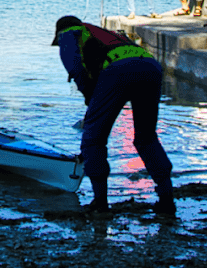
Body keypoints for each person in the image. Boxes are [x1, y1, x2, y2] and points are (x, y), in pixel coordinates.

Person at [51, 15, 175, 216]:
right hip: (150, 66)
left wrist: (89, 99)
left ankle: (100, 203)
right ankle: (167, 199)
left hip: (118, 70)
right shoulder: (100, 33)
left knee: (93, 140)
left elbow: (76, 69)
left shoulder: (68, 33)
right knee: (147, 138)